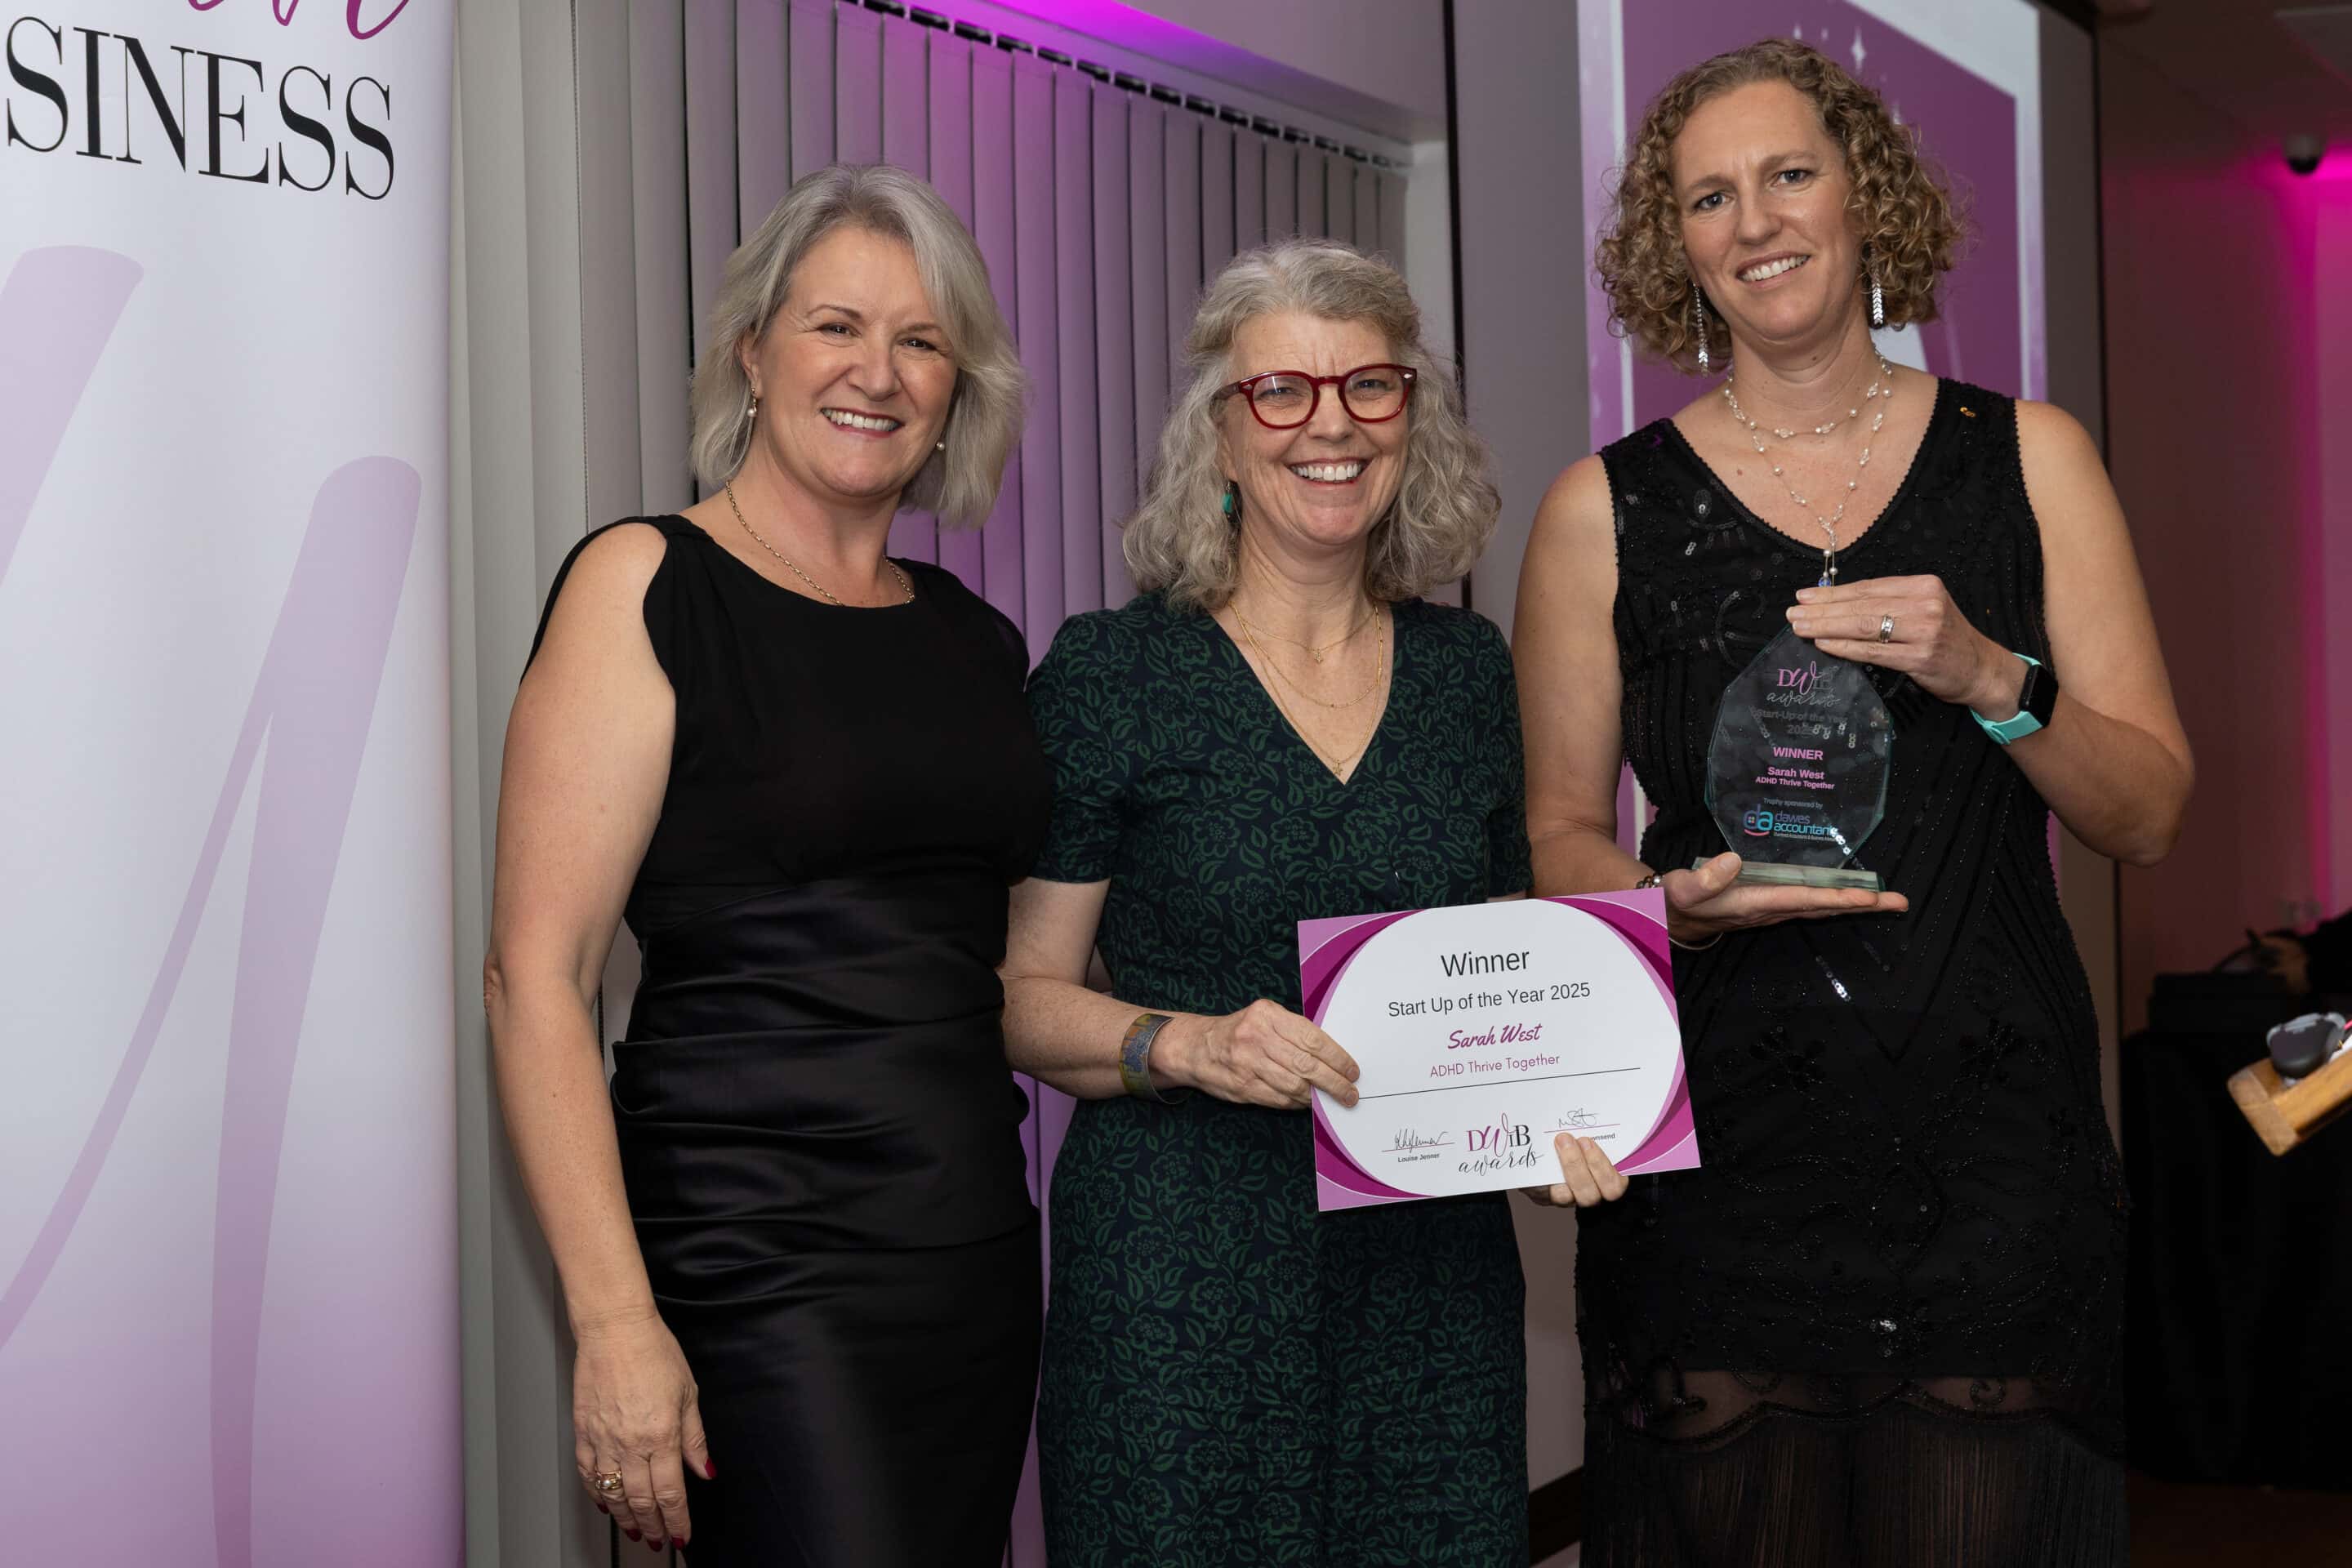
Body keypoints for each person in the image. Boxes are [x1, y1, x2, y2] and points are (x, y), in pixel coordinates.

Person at [1514, 39, 2193, 1568]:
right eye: (1709, 197)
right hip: (1714, 1161)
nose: (1755, 222)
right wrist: (1662, 907)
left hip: (1996, 1159)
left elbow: (2148, 813)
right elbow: (1556, 830)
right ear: (1675, 245)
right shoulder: (1598, 511)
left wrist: (1991, 674)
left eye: (1789, 175)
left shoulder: (2029, 461)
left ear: (1865, 195)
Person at [1000, 237, 1629, 1568]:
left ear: (1412, 418)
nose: (1329, 425)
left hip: (1431, 1296)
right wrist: (1188, 1044)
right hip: (1179, 1292)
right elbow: (1020, 997)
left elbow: (1510, 984)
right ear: (1220, 436)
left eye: (1368, 386)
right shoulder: (1112, 675)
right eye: (1280, 391)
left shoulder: (1468, 676)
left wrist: (1557, 1127)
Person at [480, 163, 1040, 1566]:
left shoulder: (977, 639)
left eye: (921, 341)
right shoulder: (645, 584)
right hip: (755, 1266)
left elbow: (994, 962)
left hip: (972, 1252)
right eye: (835, 326)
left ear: (957, 389)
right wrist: (616, 1323)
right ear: (751, 350)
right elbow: (535, 977)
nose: (877, 373)